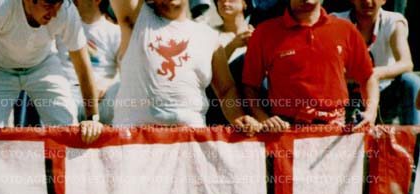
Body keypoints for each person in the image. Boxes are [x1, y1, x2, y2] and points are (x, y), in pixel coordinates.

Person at [0, 0, 104, 145]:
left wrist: (92, 118)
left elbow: (82, 65)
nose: (55, 13)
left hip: (43, 66)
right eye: (48, 5)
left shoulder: (67, 10)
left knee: (68, 128)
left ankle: (64, 166)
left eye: (58, 4)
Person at [109, 0, 260, 132]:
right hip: (135, 140)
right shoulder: (136, 19)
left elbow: (226, 90)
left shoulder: (208, 36)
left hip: (190, 139)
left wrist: (238, 117)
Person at [241, 0, 378, 130]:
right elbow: (250, 85)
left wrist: (370, 113)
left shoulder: (345, 29)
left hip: (336, 130)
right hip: (284, 130)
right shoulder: (265, 32)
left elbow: (367, 77)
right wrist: (263, 119)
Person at [334, 0, 419, 126]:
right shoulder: (336, 21)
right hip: (348, 94)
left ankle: (414, 134)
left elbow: (406, 63)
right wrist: (360, 76)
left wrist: (374, 74)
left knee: (411, 80)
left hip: (384, 94)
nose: (367, 1)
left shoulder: (394, 21)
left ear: (384, 0)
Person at [55, 0, 120, 124]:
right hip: (67, 95)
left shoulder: (116, 32)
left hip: (101, 99)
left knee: (124, 90)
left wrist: (108, 83)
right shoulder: (61, 25)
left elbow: (128, 71)